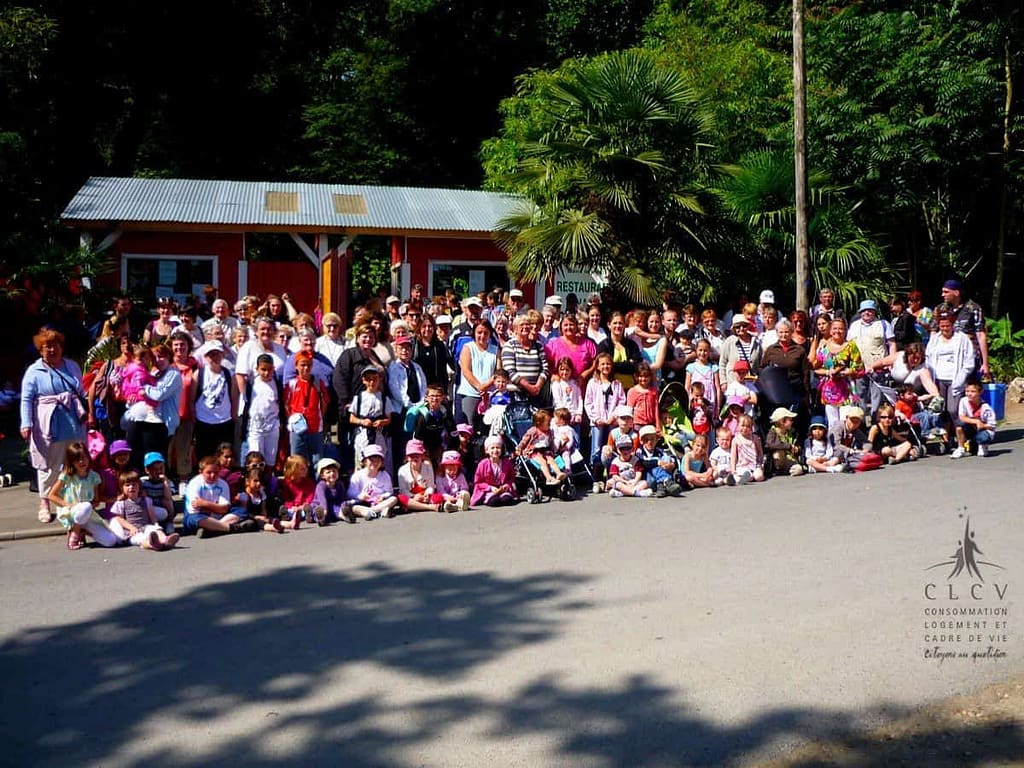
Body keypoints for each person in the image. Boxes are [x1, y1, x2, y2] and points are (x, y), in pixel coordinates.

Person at [21, 328, 88, 523]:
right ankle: (45, 502)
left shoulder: (72, 366)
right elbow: (26, 399)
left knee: (73, 461)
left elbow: (81, 392)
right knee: (48, 465)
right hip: (47, 423)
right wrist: (26, 423)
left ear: (61, 347)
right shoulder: (34, 371)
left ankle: (69, 501)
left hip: (72, 421)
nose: (52, 349)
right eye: (47, 346)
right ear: (40, 350)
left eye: (55, 345)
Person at [47, 441, 120, 550]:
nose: (82, 461)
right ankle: (75, 532)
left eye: (84, 458)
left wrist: (95, 503)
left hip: (87, 514)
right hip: (71, 512)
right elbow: (51, 495)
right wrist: (67, 504)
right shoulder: (67, 476)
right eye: (77, 460)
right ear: (72, 462)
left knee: (111, 541)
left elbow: (96, 500)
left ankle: (84, 531)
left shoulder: (93, 477)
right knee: (85, 506)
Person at [183, 455, 257, 537]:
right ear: (201, 472)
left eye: (216, 472)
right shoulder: (194, 483)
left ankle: (212, 529)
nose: (213, 475)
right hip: (199, 517)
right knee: (194, 519)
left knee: (241, 511)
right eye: (209, 472)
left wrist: (205, 504)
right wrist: (216, 507)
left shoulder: (222, 484)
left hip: (218, 517)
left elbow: (224, 509)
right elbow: (196, 508)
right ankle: (231, 528)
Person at [813, 318, 864, 430]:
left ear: (845, 331)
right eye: (835, 328)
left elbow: (860, 368)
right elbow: (816, 368)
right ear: (830, 330)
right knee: (832, 423)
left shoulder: (851, 346)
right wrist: (827, 372)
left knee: (845, 422)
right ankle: (832, 447)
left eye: (840, 329)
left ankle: (845, 446)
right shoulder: (824, 348)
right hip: (829, 391)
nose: (837, 331)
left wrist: (847, 372)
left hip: (846, 390)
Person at [109, 470, 180, 550]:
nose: (131, 487)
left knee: (155, 530)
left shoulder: (146, 500)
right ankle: (152, 545)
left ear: (139, 486)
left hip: (145, 526)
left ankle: (165, 540)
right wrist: (131, 528)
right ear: (122, 488)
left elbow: (152, 515)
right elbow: (120, 519)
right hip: (132, 531)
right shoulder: (121, 504)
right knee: (141, 539)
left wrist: (156, 524)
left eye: (134, 484)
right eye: (127, 485)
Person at [925, 311, 975, 426]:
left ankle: (964, 433)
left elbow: (969, 361)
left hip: (955, 378)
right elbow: (928, 357)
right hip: (938, 378)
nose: (945, 328)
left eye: (947, 326)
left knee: (953, 410)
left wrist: (962, 377)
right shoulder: (934, 339)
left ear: (952, 325)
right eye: (942, 326)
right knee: (941, 410)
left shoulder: (962, 339)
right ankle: (947, 439)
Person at [584, 353, 626, 489]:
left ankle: (610, 476)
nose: (605, 366)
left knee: (611, 449)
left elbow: (621, 401)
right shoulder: (593, 383)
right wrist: (597, 418)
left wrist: (613, 416)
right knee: (596, 449)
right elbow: (588, 403)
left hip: (612, 422)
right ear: (597, 366)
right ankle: (596, 479)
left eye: (608, 364)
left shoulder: (617, 383)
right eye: (602, 364)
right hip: (598, 422)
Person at [847, 299, 895, 415]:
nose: (867, 313)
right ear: (860, 312)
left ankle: (875, 421)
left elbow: (892, 344)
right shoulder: (854, 326)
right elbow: (848, 346)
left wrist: (891, 362)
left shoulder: (884, 324)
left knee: (877, 397)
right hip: (859, 368)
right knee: (859, 396)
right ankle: (861, 421)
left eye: (870, 310)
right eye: (864, 311)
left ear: (874, 312)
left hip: (878, 368)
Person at [192, 341, 236, 463]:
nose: (215, 357)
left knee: (224, 454)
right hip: (203, 420)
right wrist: (193, 416)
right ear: (205, 357)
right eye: (211, 354)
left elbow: (234, 397)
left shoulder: (229, 374)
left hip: (224, 421)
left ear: (222, 355)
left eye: (217, 354)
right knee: (204, 454)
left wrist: (233, 416)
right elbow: (192, 398)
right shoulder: (199, 374)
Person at [285, 350, 329, 467]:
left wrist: (317, 417)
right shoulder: (292, 384)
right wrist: (293, 419)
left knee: (317, 460)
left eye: (308, 365)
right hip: (297, 428)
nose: (306, 368)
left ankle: (316, 484)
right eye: (302, 365)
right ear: (296, 366)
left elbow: (324, 403)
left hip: (315, 427)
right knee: (297, 460)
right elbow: (286, 404)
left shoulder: (318, 383)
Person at [937, 279, 989, 377]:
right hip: (946, 357)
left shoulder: (973, 308)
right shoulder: (941, 309)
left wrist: (985, 363)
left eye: (946, 292)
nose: (942, 295)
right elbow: (934, 333)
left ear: (956, 293)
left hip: (968, 356)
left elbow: (980, 335)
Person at [242, 354, 285, 468]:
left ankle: (268, 481)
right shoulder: (252, 384)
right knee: (255, 459)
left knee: (270, 460)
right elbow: (246, 405)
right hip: (255, 429)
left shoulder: (277, 384)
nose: (266, 373)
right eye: (263, 369)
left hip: (272, 428)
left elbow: (280, 404)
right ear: (257, 369)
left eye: (269, 370)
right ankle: (254, 481)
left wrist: (280, 423)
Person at [455, 320, 500, 424]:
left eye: (485, 333)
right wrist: (479, 386)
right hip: (470, 392)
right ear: (474, 333)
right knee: (468, 425)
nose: (482, 336)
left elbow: (498, 373)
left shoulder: (496, 350)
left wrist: (486, 386)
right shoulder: (467, 348)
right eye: (479, 332)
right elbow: (466, 370)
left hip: (490, 394)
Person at [501, 314, 550, 407]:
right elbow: (510, 371)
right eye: (521, 325)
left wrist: (537, 386)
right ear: (515, 329)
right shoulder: (509, 346)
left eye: (527, 324)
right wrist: (529, 387)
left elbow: (545, 368)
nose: (525, 327)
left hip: (537, 394)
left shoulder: (538, 346)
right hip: (516, 394)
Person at [397, 439, 454, 514]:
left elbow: (431, 485)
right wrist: (413, 496)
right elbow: (403, 490)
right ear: (407, 457)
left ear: (422, 456)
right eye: (411, 455)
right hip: (411, 497)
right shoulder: (402, 470)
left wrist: (427, 494)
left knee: (438, 498)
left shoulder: (428, 467)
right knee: (401, 498)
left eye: (417, 455)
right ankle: (429, 507)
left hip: (425, 497)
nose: (415, 458)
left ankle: (414, 506)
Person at [347, 444, 399, 519]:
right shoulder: (357, 476)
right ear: (364, 461)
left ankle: (372, 511)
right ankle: (379, 511)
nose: (375, 463)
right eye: (371, 460)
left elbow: (389, 491)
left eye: (378, 460)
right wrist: (360, 496)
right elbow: (350, 493)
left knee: (394, 499)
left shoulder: (385, 475)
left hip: (380, 502)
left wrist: (382, 496)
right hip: (364, 502)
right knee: (353, 507)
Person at [516, 410, 566, 487]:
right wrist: (519, 448)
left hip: (545, 451)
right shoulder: (534, 430)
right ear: (539, 423)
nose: (549, 424)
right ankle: (548, 478)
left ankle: (558, 473)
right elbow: (524, 440)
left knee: (551, 460)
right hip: (534, 451)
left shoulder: (549, 431)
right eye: (547, 423)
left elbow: (550, 442)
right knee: (543, 462)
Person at [545, 314, 597, 387]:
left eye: (571, 325)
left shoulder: (587, 344)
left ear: (576, 326)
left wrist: (585, 374)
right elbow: (544, 364)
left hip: (582, 388)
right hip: (561, 388)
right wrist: (552, 375)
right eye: (566, 325)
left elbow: (596, 361)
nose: (568, 327)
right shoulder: (553, 345)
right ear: (561, 327)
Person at [951, 378, 997, 458]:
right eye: (967, 391)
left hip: (983, 430)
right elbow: (962, 417)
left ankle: (982, 445)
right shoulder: (963, 401)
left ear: (980, 392)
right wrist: (976, 421)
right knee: (959, 426)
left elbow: (992, 425)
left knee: (982, 438)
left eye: (973, 391)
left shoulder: (986, 408)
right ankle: (961, 448)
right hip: (971, 428)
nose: (969, 394)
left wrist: (983, 425)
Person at [597, 312, 643, 389]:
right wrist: (628, 363)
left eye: (620, 323)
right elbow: (603, 367)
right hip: (609, 388)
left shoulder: (632, 345)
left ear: (624, 325)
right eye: (615, 323)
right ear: (609, 325)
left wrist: (614, 364)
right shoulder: (603, 345)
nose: (618, 326)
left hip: (630, 388)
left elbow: (636, 366)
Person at [636, 425, 682, 496]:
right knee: (655, 465)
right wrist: (658, 462)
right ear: (641, 441)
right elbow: (644, 463)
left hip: (658, 475)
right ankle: (667, 482)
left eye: (652, 439)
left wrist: (672, 464)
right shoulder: (640, 451)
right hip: (648, 477)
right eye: (646, 440)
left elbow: (672, 458)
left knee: (666, 458)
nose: (649, 442)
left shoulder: (659, 450)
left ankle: (662, 486)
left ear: (656, 439)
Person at [472, 436, 518, 506]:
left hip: (503, 489)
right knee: (495, 501)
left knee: (507, 500)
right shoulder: (482, 464)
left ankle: (503, 496)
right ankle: (487, 498)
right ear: (487, 450)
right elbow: (478, 482)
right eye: (492, 448)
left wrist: (507, 485)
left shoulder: (507, 462)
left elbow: (511, 476)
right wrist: (490, 488)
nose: (495, 450)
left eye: (498, 448)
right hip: (488, 490)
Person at [718, 315, 762, 387]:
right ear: (734, 329)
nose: (741, 328)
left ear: (748, 326)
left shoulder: (755, 342)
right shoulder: (730, 341)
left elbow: (760, 364)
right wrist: (723, 382)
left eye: (744, 326)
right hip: (733, 383)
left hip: (751, 383)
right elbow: (722, 363)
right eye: (738, 326)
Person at [140, 451, 176, 533]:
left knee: (168, 502)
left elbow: (168, 497)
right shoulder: (143, 482)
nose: (159, 471)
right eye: (155, 469)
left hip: (162, 505)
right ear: (147, 470)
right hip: (150, 507)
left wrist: (165, 483)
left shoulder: (167, 482)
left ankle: (169, 523)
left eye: (161, 468)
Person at [241, 468, 286, 532]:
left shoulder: (261, 493)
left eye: (260, 481)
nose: (258, 483)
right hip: (251, 517)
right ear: (247, 481)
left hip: (260, 516)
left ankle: (290, 524)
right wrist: (257, 517)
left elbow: (263, 509)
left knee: (271, 519)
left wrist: (264, 517)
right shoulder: (244, 495)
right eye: (255, 481)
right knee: (258, 522)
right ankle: (274, 528)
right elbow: (244, 512)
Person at [685, 339, 722, 418]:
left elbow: (718, 388)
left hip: (710, 401)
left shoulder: (713, 368)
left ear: (709, 352)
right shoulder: (691, 367)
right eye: (700, 350)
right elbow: (687, 387)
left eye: (705, 350)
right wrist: (687, 404)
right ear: (696, 350)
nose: (702, 353)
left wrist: (718, 407)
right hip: (695, 402)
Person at [765, 407, 805, 476]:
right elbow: (770, 444)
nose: (792, 422)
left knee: (798, 469)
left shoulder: (792, 432)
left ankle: (787, 470)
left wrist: (797, 448)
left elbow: (798, 445)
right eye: (790, 420)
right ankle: (776, 470)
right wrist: (789, 446)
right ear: (782, 421)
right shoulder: (772, 432)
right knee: (778, 453)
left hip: (789, 459)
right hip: (778, 459)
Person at [626, 361, 661, 432]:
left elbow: (656, 409)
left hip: (650, 424)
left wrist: (658, 425)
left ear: (650, 377)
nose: (643, 379)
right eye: (640, 376)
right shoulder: (633, 391)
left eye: (646, 376)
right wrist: (629, 426)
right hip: (637, 424)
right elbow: (629, 410)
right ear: (636, 376)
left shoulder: (653, 391)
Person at [730, 414, 764, 484]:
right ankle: (736, 478)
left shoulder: (755, 438)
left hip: (754, 465)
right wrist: (733, 470)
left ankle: (746, 478)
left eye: (748, 426)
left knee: (759, 477)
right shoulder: (736, 440)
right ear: (738, 425)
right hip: (742, 466)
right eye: (742, 425)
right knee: (748, 475)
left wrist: (761, 464)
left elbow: (760, 452)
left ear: (751, 428)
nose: (745, 428)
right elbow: (733, 457)